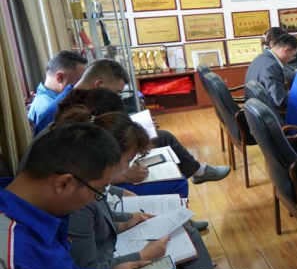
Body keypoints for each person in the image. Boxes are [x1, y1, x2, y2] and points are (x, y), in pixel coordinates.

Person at [0, 124, 264, 269]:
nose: (96, 200)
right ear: (64, 183)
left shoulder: (34, 214)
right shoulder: (10, 252)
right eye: (97, 192)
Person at [56, 108, 249, 269]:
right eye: (129, 160)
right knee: (187, 246)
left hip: (116, 253)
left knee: (187, 236)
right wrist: (143, 255)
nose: (129, 166)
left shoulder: (89, 185)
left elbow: (100, 220)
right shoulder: (81, 198)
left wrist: (124, 223)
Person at [35, 59, 229, 186]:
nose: (118, 98)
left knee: (164, 137)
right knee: (176, 180)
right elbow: (78, 165)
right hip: (99, 169)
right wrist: (122, 176)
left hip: (104, 158)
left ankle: (197, 172)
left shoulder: (79, 98)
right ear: (99, 84)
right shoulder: (58, 112)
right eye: (117, 92)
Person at [27, 50, 88, 126]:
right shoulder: (51, 110)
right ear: (60, 77)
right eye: (80, 79)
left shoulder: (43, 97)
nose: (83, 84)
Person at [245, 33, 297, 108]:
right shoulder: (272, 66)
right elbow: (281, 101)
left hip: (253, 108)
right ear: (286, 51)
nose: (291, 59)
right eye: (292, 56)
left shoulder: (260, 58)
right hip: (268, 111)